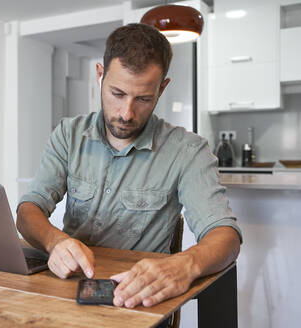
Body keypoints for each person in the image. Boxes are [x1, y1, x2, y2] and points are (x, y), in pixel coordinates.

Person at [16, 23, 242, 313]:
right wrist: (54, 241)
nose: (126, 113)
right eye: (117, 93)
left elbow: (226, 235)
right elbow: (28, 211)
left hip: (136, 302)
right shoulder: (68, 135)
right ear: (100, 75)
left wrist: (185, 264)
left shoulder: (188, 150)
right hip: (65, 294)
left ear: (162, 88)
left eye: (144, 99)